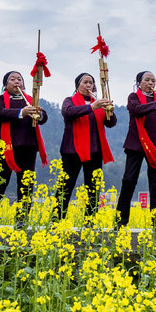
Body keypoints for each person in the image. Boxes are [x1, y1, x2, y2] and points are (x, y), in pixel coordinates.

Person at [116, 71, 156, 228]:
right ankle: (120, 221)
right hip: (136, 144)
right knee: (129, 181)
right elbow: (136, 110)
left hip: (155, 147)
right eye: (147, 80)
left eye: (153, 81)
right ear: (139, 82)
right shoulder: (133, 97)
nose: (151, 83)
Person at [54, 73, 116, 221]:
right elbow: (68, 113)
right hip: (72, 150)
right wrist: (92, 107)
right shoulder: (69, 101)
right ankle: (56, 220)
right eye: (85, 82)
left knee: (93, 187)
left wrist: (110, 112)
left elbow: (111, 123)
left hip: (95, 151)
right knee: (66, 186)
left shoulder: (99, 103)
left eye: (91, 83)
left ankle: (90, 221)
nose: (89, 85)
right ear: (77, 85)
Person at [0, 70, 48, 223]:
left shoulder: (31, 99)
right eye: (13, 79)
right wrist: (21, 112)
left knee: (25, 183)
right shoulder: (0, 99)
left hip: (28, 146)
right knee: (1, 181)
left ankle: (22, 217)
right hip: (6, 145)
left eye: (19, 79)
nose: (17, 82)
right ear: (6, 84)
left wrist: (40, 114)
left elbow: (43, 118)